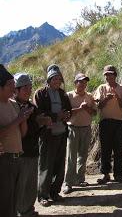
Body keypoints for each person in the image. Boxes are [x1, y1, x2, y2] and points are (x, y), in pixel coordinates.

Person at [14, 73, 51, 217]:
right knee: (20, 185)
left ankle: (29, 209)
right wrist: (36, 122)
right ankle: (20, 211)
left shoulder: (31, 107)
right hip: (19, 152)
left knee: (30, 184)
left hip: (33, 150)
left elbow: (35, 129)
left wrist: (42, 122)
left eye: (30, 87)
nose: (28, 90)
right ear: (16, 90)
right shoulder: (12, 106)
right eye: (25, 88)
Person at [34, 64, 72, 207]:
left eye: (58, 79)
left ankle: (54, 192)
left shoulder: (62, 94)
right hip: (47, 135)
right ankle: (43, 195)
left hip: (61, 133)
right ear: (48, 80)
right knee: (45, 165)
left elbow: (68, 110)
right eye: (54, 79)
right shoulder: (40, 93)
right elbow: (39, 112)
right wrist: (57, 115)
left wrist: (68, 114)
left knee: (59, 165)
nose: (57, 81)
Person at [0, 65, 31, 217]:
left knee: (15, 201)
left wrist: (24, 119)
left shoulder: (13, 104)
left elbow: (22, 133)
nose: (14, 87)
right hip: (5, 160)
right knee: (5, 201)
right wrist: (18, 119)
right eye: (10, 85)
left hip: (18, 157)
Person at [63, 73, 97, 194]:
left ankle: (80, 179)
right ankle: (68, 183)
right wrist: (80, 109)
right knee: (71, 156)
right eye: (81, 82)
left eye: (85, 82)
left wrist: (87, 108)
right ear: (75, 83)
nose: (83, 84)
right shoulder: (69, 95)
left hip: (86, 128)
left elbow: (94, 112)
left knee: (83, 155)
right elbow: (66, 113)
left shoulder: (89, 96)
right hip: (73, 128)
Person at [94, 65, 122, 184]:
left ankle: (118, 174)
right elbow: (99, 106)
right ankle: (105, 173)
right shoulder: (101, 88)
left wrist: (117, 98)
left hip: (119, 122)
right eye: (107, 75)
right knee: (105, 149)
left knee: (119, 148)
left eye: (111, 74)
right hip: (105, 122)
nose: (109, 76)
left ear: (115, 75)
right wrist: (106, 99)